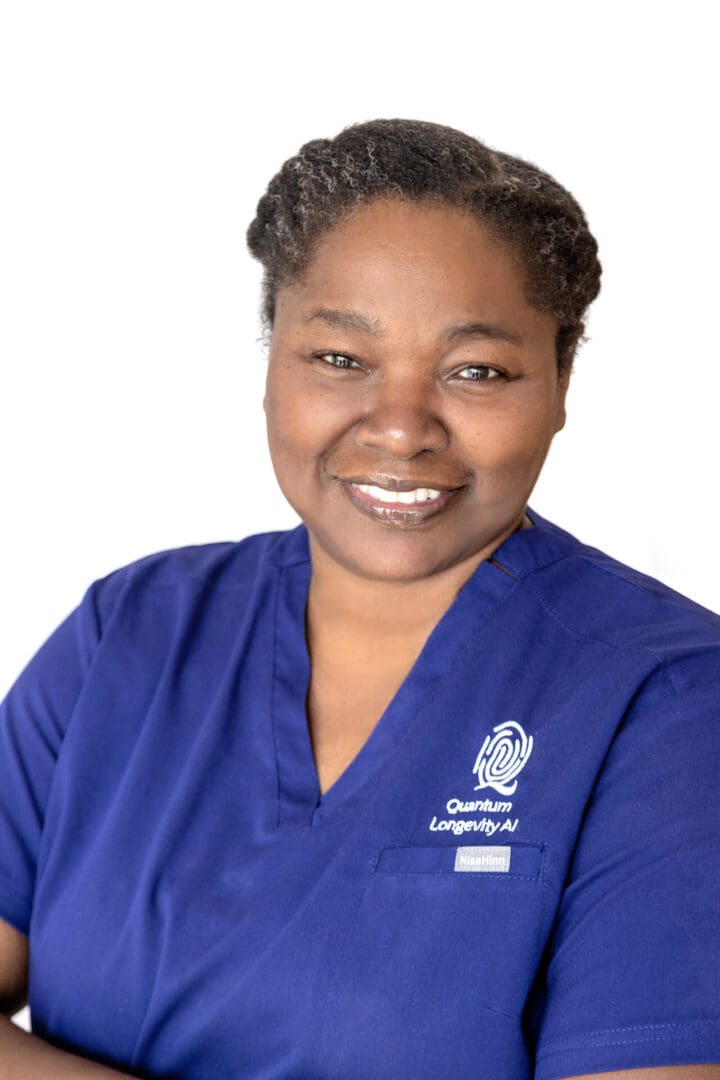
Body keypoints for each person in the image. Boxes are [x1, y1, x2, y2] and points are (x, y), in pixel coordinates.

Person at [0, 118, 719, 1080]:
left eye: (476, 372)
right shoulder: (130, 632)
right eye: (342, 359)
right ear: (272, 365)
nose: (399, 428)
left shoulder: (670, 702)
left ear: (557, 389)